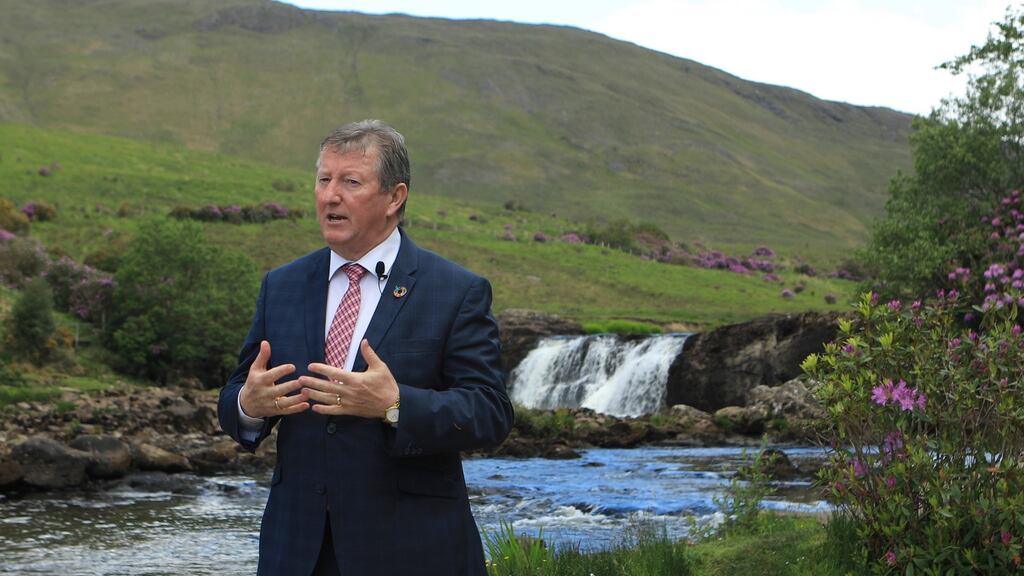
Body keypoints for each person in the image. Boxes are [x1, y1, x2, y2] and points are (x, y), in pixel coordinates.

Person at [217, 119, 514, 575]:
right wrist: (248, 404)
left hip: (414, 552)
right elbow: (239, 393)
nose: (329, 195)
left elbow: (490, 412)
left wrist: (395, 405)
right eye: (323, 180)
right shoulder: (282, 285)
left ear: (395, 197)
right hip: (297, 551)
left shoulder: (454, 291)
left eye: (350, 182)